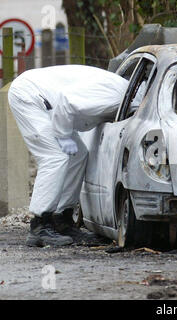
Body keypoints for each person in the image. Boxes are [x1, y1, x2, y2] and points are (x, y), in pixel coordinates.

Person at [8, 65, 129, 247]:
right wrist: (63, 136)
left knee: (78, 154)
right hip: (30, 95)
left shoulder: (126, 93)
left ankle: (61, 220)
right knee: (54, 157)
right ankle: (39, 225)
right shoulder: (115, 98)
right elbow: (67, 102)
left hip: (46, 100)